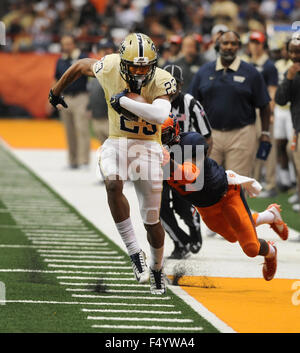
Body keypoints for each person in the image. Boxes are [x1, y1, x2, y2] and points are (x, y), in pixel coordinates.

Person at [49, 32, 177, 295]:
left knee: (152, 220)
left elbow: (161, 113)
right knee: (112, 184)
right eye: (135, 65)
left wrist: (124, 101)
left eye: (146, 65)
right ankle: (133, 252)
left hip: (149, 146)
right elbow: (79, 65)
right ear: (122, 63)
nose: (141, 71)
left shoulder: (163, 78)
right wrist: (56, 90)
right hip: (117, 141)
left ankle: (156, 268)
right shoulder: (109, 66)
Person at [161, 115, 289, 281]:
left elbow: (192, 176)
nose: (160, 140)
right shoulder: (151, 152)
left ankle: (271, 252)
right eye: (155, 135)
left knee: (250, 248)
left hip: (226, 194)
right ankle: (270, 215)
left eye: (163, 135)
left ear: (174, 132)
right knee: (232, 236)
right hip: (205, 206)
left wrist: (166, 161)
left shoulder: (190, 142)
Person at [189, 30, 272, 178]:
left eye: (233, 43)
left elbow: (264, 105)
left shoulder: (251, 72)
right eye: (225, 43)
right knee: (207, 182)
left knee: (237, 183)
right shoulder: (203, 71)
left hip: (241, 133)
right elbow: (191, 102)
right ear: (217, 46)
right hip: (209, 134)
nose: (229, 47)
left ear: (239, 47)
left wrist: (265, 133)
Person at [160, 64, 212, 259]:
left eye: (173, 84)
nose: (169, 88)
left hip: (185, 159)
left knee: (183, 205)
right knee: (159, 206)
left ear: (181, 85)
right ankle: (180, 243)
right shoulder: (151, 102)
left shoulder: (190, 103)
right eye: (165, 83)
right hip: (160, 160)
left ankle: (194, 231)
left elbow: (207, 136)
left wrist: (201, 165)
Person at [245, 31, 279, 198]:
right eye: (252, 42)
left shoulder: (268, 66)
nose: (254, 45)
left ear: (262, 44)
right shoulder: (248, 63)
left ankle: (271, 183)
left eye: (257, 42)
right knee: (253, 146)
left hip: (264, 109)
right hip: (251, 109)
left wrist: (270, 112)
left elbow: (272, 91)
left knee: (267, 146)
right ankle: (255, 180)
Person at [53, 35, 90, 169]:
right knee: (69, 131)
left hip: (81, 96)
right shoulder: (60, 61)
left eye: (69, 44)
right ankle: (73, 161)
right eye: (64, 44)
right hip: (65, 98)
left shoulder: (83, 57)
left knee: (82, 129)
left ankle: (84, 161)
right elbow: (56, 80)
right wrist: (54, 97)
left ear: (74, 44)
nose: (66, 47)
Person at [275, 32, 300, 216]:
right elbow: (281, 99)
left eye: (297, 51)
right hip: (297, 128)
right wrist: (289, 79)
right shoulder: (290, 72)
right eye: (291, 52)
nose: (294, 56)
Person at [87, 39, 117, 144]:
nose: (105, 52)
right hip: (97, 116)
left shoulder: (118, 67)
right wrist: (89, 107)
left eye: (108, 49)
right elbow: (92, 91)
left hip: (111, 118)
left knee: (115, 149)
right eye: (102, 49)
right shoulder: (96, 67)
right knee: (103, 148)